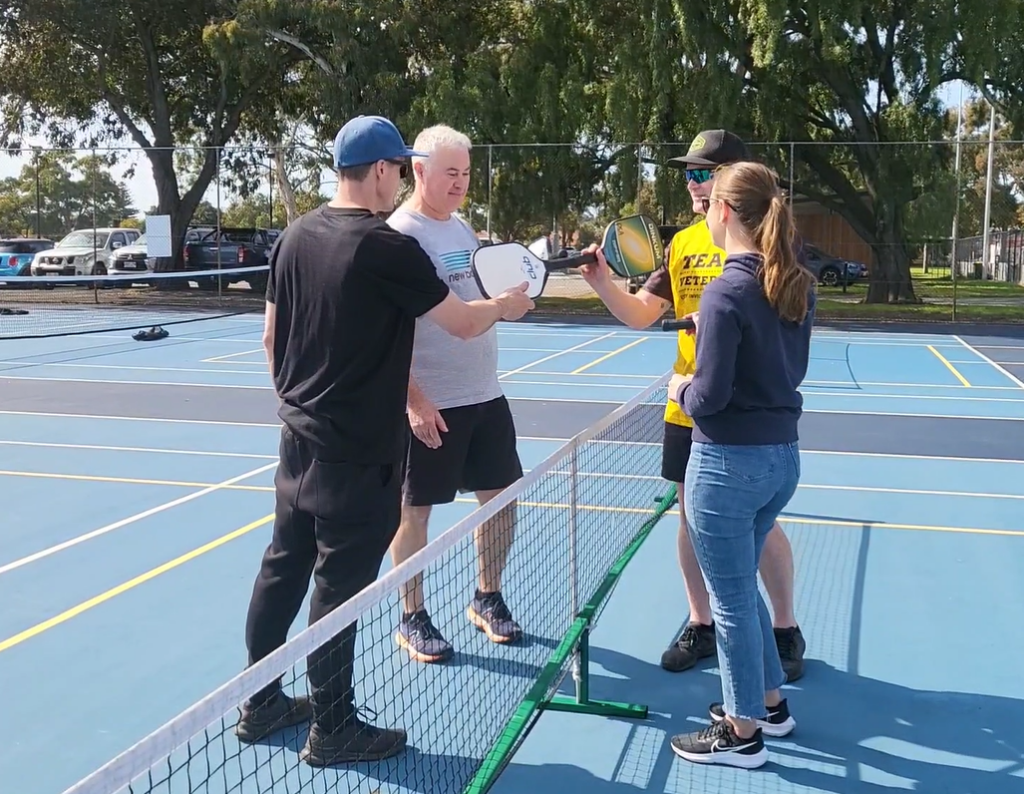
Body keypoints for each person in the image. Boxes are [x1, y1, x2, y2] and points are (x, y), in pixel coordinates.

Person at [234, 115, 535, 767]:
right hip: (359, 452)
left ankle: (259, 706)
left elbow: (268, 339)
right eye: (398, 168)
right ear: (378, 173)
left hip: (298, 443)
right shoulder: (386, 245)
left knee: (283, 567)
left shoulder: (293, 238)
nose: (400, 178)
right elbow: (459, 323)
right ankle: (335, 728)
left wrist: (297, 409)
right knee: (339, 590)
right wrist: (505, 308)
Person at [579, 130, 807, 682]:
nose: (692, 182)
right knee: (690, 517)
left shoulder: (770, 243)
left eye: (703, 173)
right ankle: (702, 623)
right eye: (689, 172)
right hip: (690, 411)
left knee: (761, 523)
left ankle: (783, 630)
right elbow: (641, 314)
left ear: (731, 181)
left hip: (744, 416)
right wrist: (602, 283)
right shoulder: (682, 244)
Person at [665, 160, 816, 768]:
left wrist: (681, 388)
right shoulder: (792, 282)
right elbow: (777, 360)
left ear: (724, 212)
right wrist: (715, 333)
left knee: (727, 603)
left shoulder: (727, 289)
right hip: (782, 459)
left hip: (727, 465)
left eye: (708, 201)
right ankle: (770, 704)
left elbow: (711, 396)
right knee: (738, 587)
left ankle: (742, 732)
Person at [385, 124, 524, 664]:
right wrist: (413, 400)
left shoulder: (462, 229)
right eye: (450, 173)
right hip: (431, 404)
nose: (460, 182)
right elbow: (385, 336)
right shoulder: (400, 235)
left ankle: (486, 597)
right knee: (414, 512)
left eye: (465, 173)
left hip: (484, 396)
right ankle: (411, 615)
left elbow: (477, 295)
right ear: (418, 171)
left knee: (502, 500)